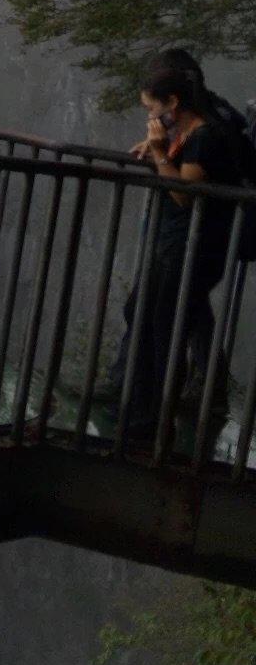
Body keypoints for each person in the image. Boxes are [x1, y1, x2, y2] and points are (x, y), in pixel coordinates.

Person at [107, 62, 243, 436]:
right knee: (143, 313)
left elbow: (186, 194)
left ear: (173, 102)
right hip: (173, 245)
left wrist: (160, 154)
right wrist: (160, 149)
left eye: (153, 108)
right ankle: (139, 414)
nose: (151, 116)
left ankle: (149, 422)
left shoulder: (205, 136)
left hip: (191, 248)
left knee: (164, 331)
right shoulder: (186, 133)